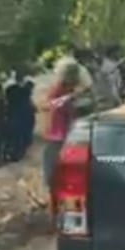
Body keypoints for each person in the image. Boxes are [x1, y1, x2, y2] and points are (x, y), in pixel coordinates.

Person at [40, 60, 85, 190]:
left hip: (62, 133)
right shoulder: (61, 90)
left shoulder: (67, 91)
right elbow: (47, 106)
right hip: (59, 133)